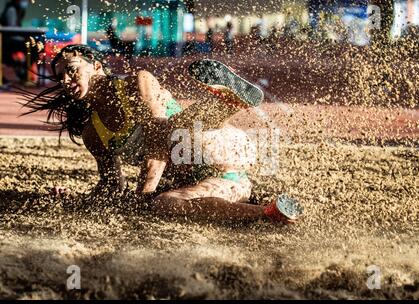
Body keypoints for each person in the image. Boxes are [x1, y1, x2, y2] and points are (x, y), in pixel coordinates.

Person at [24, 45, 303, 224]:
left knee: (170, 133)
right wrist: (74, 199)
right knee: (166, 203)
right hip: (225, 184)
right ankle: (270, 213)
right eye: (60, 78)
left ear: (96, 66)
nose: (66, 81)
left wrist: (142, 196)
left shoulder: (138, 83)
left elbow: (157, 145)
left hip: (217, 147)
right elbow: (111, 187)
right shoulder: (93, 134)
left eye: (72, 71)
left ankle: (225, 102)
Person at [0, 0, 32, 83]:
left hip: (11, 41)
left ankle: (25, 72)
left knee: (31, 47)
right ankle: (24, 73)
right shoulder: (12, 10)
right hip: (8, 42)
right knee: (31, 48)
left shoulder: (18, 10)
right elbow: (12, 28)